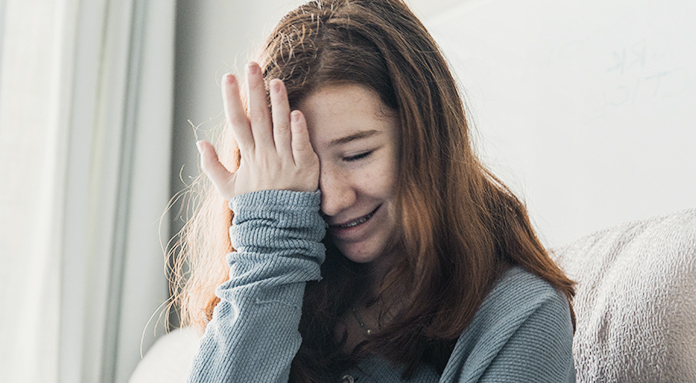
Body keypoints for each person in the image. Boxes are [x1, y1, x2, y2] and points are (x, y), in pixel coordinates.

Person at [175, 0, 576, 382]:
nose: (332, 200)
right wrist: (270, 243)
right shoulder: (278, 287)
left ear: (426, 138)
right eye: (302, 169)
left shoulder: (521, 316)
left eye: (356, 155)